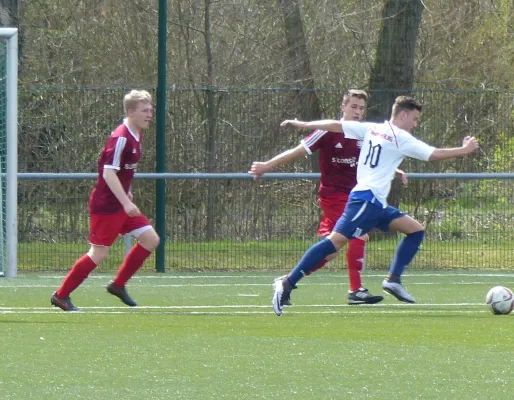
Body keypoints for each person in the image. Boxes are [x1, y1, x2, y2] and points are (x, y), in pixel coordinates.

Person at [272, 95, 479, 316]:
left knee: (415, 230)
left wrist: (304, 124)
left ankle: (393, 280)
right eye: (415, 119)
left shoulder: (372, 128)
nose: (416, 125)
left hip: (376, 203)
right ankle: (287, 283)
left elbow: (335, 125)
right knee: (335, 242)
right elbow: (433, 154)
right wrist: (464, 149)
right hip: (365, 199)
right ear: (403, 115)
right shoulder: (401, 138)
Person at [250, 90, 408, 306]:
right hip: (334, 196)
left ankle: (287, 280)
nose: (358, 112)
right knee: (359, 236)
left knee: (330, 252)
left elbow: (376, 157)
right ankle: (356, 291)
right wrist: (267, 165)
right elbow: (298, 150)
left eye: (361, 108)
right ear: (343, 107)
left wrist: (395, 170)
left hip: (355, 197)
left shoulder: (364, 133)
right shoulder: (327, 132)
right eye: (353, 106)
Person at [50, 90, 160, 311]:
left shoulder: (137, 134)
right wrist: (126, 202)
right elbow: (108, 173)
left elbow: (122, 172)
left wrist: (127, 192)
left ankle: (118, 285)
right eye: (145, 111)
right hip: (107, 206)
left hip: (120, 203)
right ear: (131, 112)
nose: (150, 115)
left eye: (151, 110)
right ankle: (61, 295)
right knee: (99, 253)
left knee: (151, 239)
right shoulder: (121, 137)